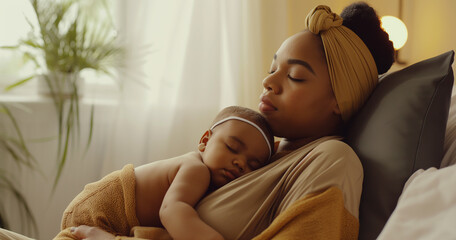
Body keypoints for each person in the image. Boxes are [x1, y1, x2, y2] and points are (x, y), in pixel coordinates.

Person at [70, 2, 394, 240]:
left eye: (295, 76)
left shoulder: (332, 161)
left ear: (338, 100)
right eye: (272, 69)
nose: (269, 82)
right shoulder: (265, 152)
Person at [54, 106, 275, 240]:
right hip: (100, 210)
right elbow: (171, 210)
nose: (239, 163)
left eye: (253, 164)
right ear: (205, 141)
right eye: (232, 148)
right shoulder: (196, 169)